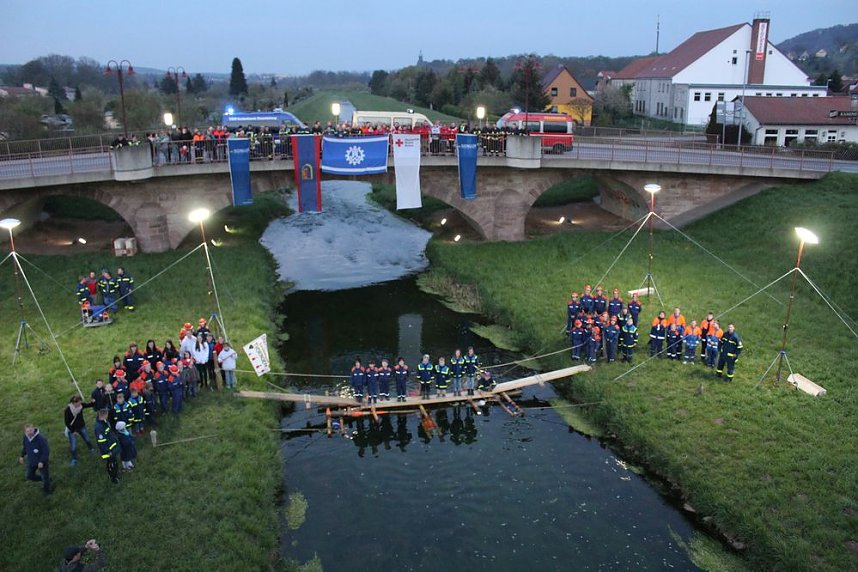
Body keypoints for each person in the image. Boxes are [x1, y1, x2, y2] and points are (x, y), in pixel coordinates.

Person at [19, 423, 52, 494]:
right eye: (27, 431)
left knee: (45, 476)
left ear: (34, 429)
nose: (29, 432)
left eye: (31, 430)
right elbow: (25, 447)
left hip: (42, 463)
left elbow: (46, 451)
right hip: (32, 461)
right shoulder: (25, 438)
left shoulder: (41, 438)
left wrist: (42, 461)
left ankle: (47, 492)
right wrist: (22, 456)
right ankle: (45, 479)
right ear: (25, 432)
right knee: (29, 476)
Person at [64, 395, 95, 465]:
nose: (80, 404)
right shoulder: (68, 410)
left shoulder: (81, 406)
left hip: (81, 426)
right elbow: (67, 422)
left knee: (87, 439)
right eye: (79, 403)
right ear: (74, 403)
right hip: (72, 429)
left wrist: (93, 402)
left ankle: (91, 448)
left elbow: (88, 405)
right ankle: (74, 459)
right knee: (73, 445)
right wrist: (73, 431)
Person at [94, 408, 120, 483]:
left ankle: (115, 474)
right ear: (104, 415)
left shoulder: (104, 422)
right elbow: (101, 442)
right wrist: (108, 451)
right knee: (111, 463)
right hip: (108, 450)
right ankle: (113, 477)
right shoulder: (99, 428)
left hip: (112, 447)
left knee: (114, 462)